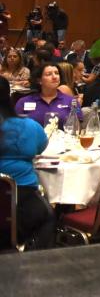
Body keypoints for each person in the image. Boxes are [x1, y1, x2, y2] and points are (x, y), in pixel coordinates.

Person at [0, 78, 55, 249]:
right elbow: (40, 147)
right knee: (49, 217)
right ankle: (36, 264)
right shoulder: (30, 126)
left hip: (15, 198)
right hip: (24, 197)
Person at [14, 63, 77, 127]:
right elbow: (16, 128)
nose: (54, 77)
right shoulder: (23, 102)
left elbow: (77, 127)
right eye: (49, 74)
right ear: (39, 80)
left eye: (57, 73)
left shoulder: (71, 101)